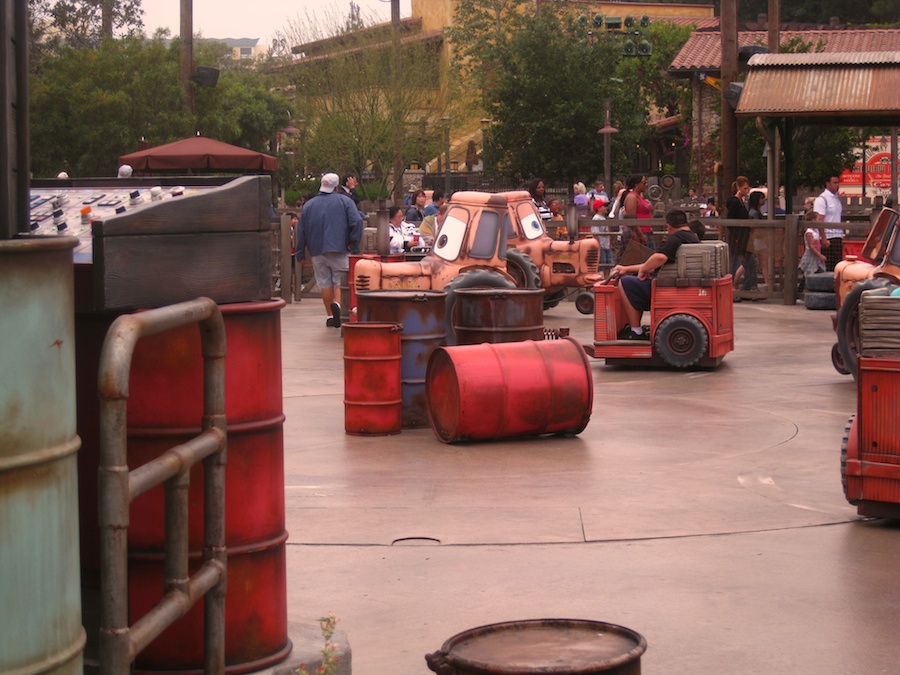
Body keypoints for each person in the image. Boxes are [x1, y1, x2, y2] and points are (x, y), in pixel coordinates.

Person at [612, 208, 699, 339]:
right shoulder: (692, 237)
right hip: (675, 281)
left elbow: (660, 258)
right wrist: (626, 269)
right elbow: (656, 264)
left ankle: (636, 331)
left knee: (625, 283)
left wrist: (643, 269)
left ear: (668, 226)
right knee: (633, 279)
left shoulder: (676, 237)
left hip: (667, 287)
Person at [295, 172, 363, 329]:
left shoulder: (309, 205)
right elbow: (357, 221)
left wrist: (300, 251)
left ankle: (330, 315)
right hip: (340, 247)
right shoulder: (345, 201)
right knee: (340, 281)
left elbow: (301, 229)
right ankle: (338, 306)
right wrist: (354, 244)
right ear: (337, 186)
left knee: (324, 282)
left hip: (317, 249)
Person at [724, 176, 756, 298]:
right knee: (735, 262)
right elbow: (730, 220)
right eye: (745, 188)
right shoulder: (734, 202)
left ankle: (749, 286)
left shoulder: (742, 202)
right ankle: (730, 286)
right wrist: (735, 236)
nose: (746, 191)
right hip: (737, 236)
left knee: (750, 261)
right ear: (738, 187)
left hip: (744, 236)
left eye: (748, 189)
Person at [813, 173, 843, 271]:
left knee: (837, 266)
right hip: (828, 237)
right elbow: (819, 220)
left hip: (837, 236)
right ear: (828, 184)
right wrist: (824, 238)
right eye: (834, 183)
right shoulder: (822, 199)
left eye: (838, 183)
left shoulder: (836, 199)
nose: (837, 185)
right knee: (827, 267)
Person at [621, 174, 654, 249]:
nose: (646, 185)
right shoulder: (632, 197)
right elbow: (632, 218)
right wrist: (640, 234)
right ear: (637, 184)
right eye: (644, 183)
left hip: (647, 231)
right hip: (639, 233)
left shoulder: (640, 197)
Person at [798, 210, 827, 288]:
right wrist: (820, 255)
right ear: (813, 220)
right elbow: (811, 246)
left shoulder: (815, 232)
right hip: (811, 256)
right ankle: (801, 289)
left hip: (816, 256)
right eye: (818, 219)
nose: (819, 221)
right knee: (808, 273)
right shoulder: (809, 232)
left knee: (818, 270)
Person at [591, 196, 614, 267]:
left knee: (608, 265)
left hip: (606, 245)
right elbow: (595, 233)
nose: (606, 208)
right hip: (601, 245)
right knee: (602, 264)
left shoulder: (603, 218)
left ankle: (607, 278)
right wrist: (598, 246)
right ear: (598, 208)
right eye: (604, 206)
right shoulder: (596, 218)